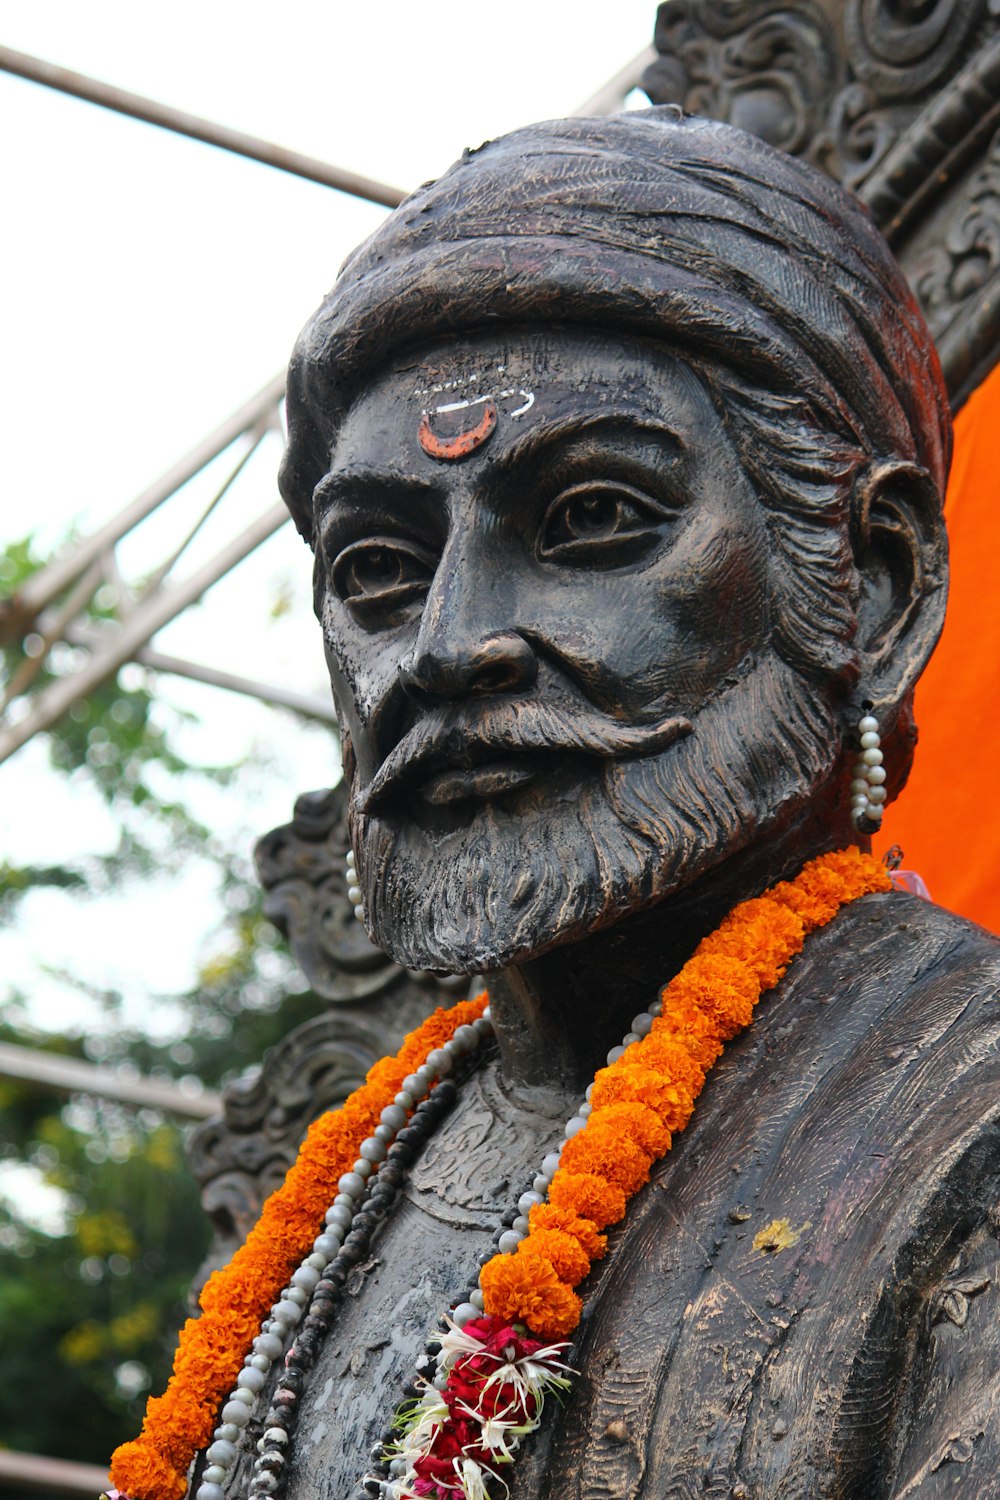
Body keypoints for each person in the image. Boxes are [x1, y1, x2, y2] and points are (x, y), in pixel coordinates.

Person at [110, 109, 1000, 1500]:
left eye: (592, 518)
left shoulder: (968, 1115)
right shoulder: (349, 1181)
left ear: (873, 588)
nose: (450, 643)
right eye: (379, 571)